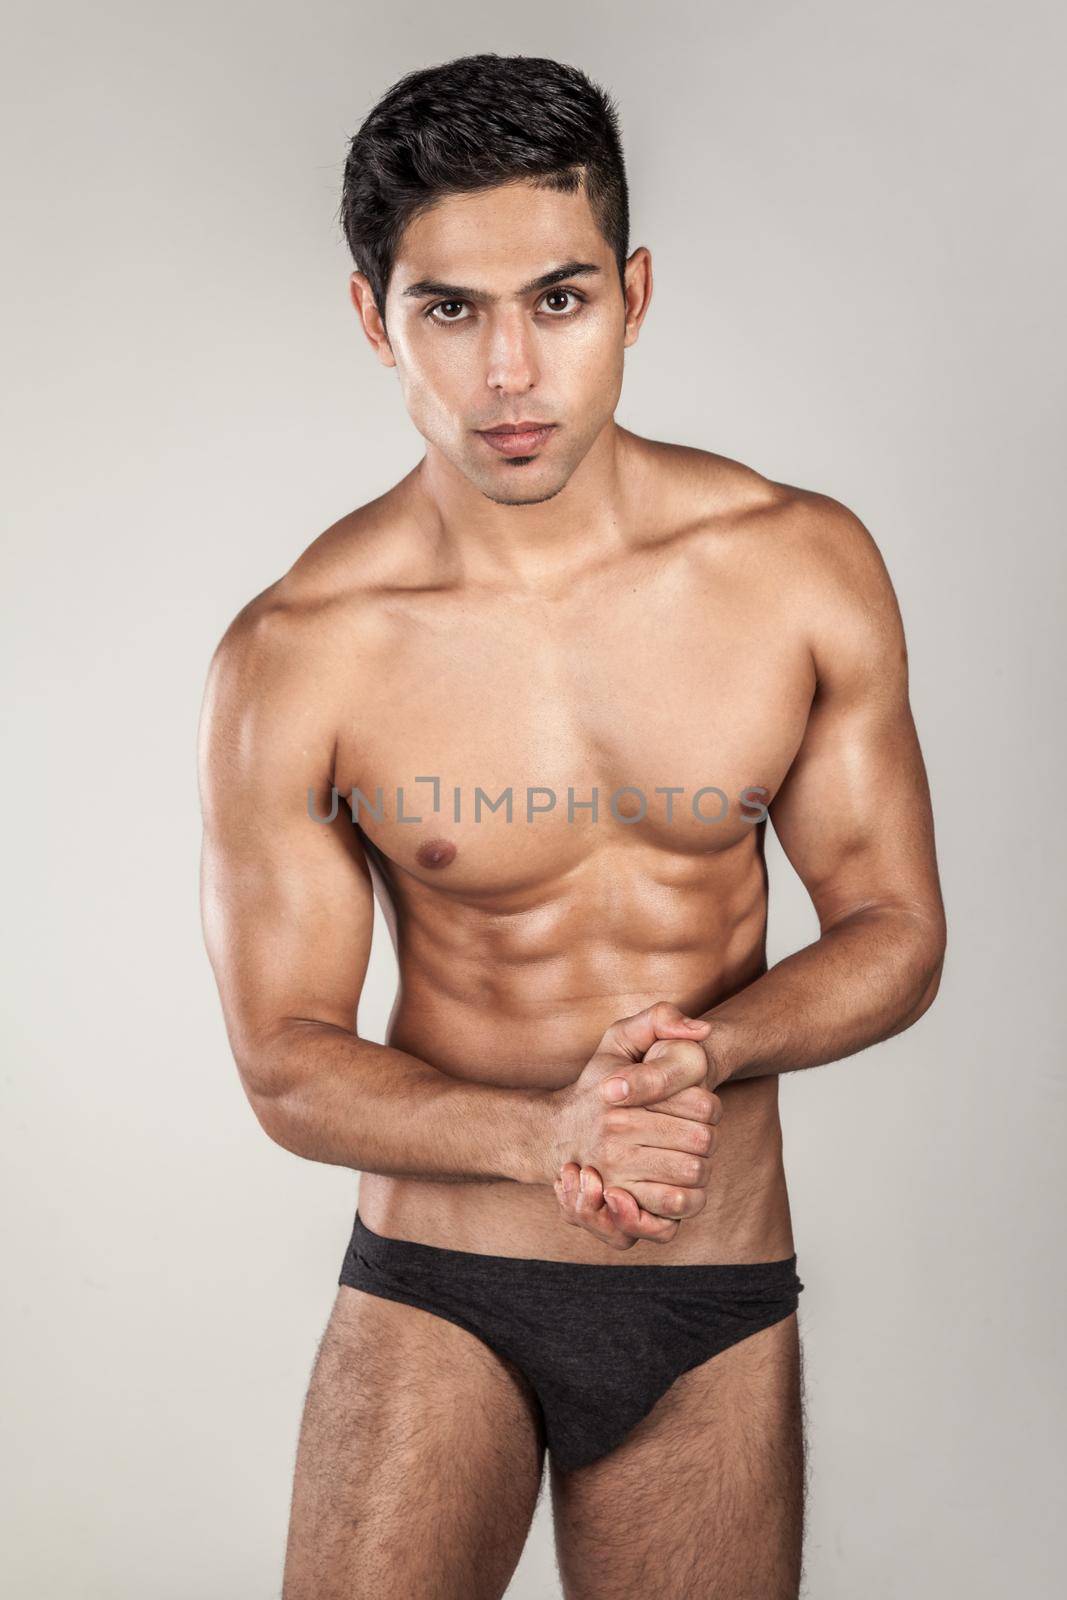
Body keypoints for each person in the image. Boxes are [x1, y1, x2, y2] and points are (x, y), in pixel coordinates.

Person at [197, 51, 946, 1600]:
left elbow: (895, 929)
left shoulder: (797, 567)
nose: (511, 377)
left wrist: (718, 1049)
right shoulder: (302, 650)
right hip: (442, 1286)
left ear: (634, 289)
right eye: (448, 313)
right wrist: (544, 1138)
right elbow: (281, 1052)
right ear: (372, 319)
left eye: (559, 300)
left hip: (710, 1292)